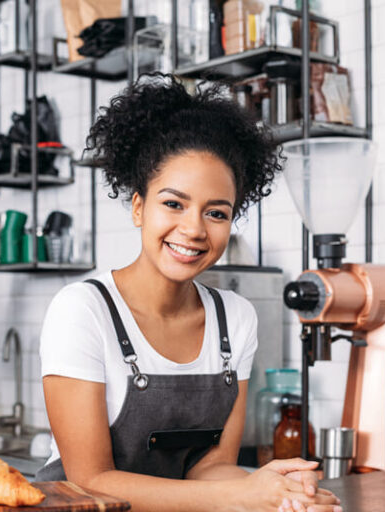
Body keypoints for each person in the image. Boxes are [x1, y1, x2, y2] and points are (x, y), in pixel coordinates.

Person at [38, 74, 341, 512]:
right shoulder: (83, 310)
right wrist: (241, 493)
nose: (194, 229)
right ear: (139, 207)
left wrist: (282, 491)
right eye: (173, 203)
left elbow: (210, 469)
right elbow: (90, 480)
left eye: (216, 212)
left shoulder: (235, 318)